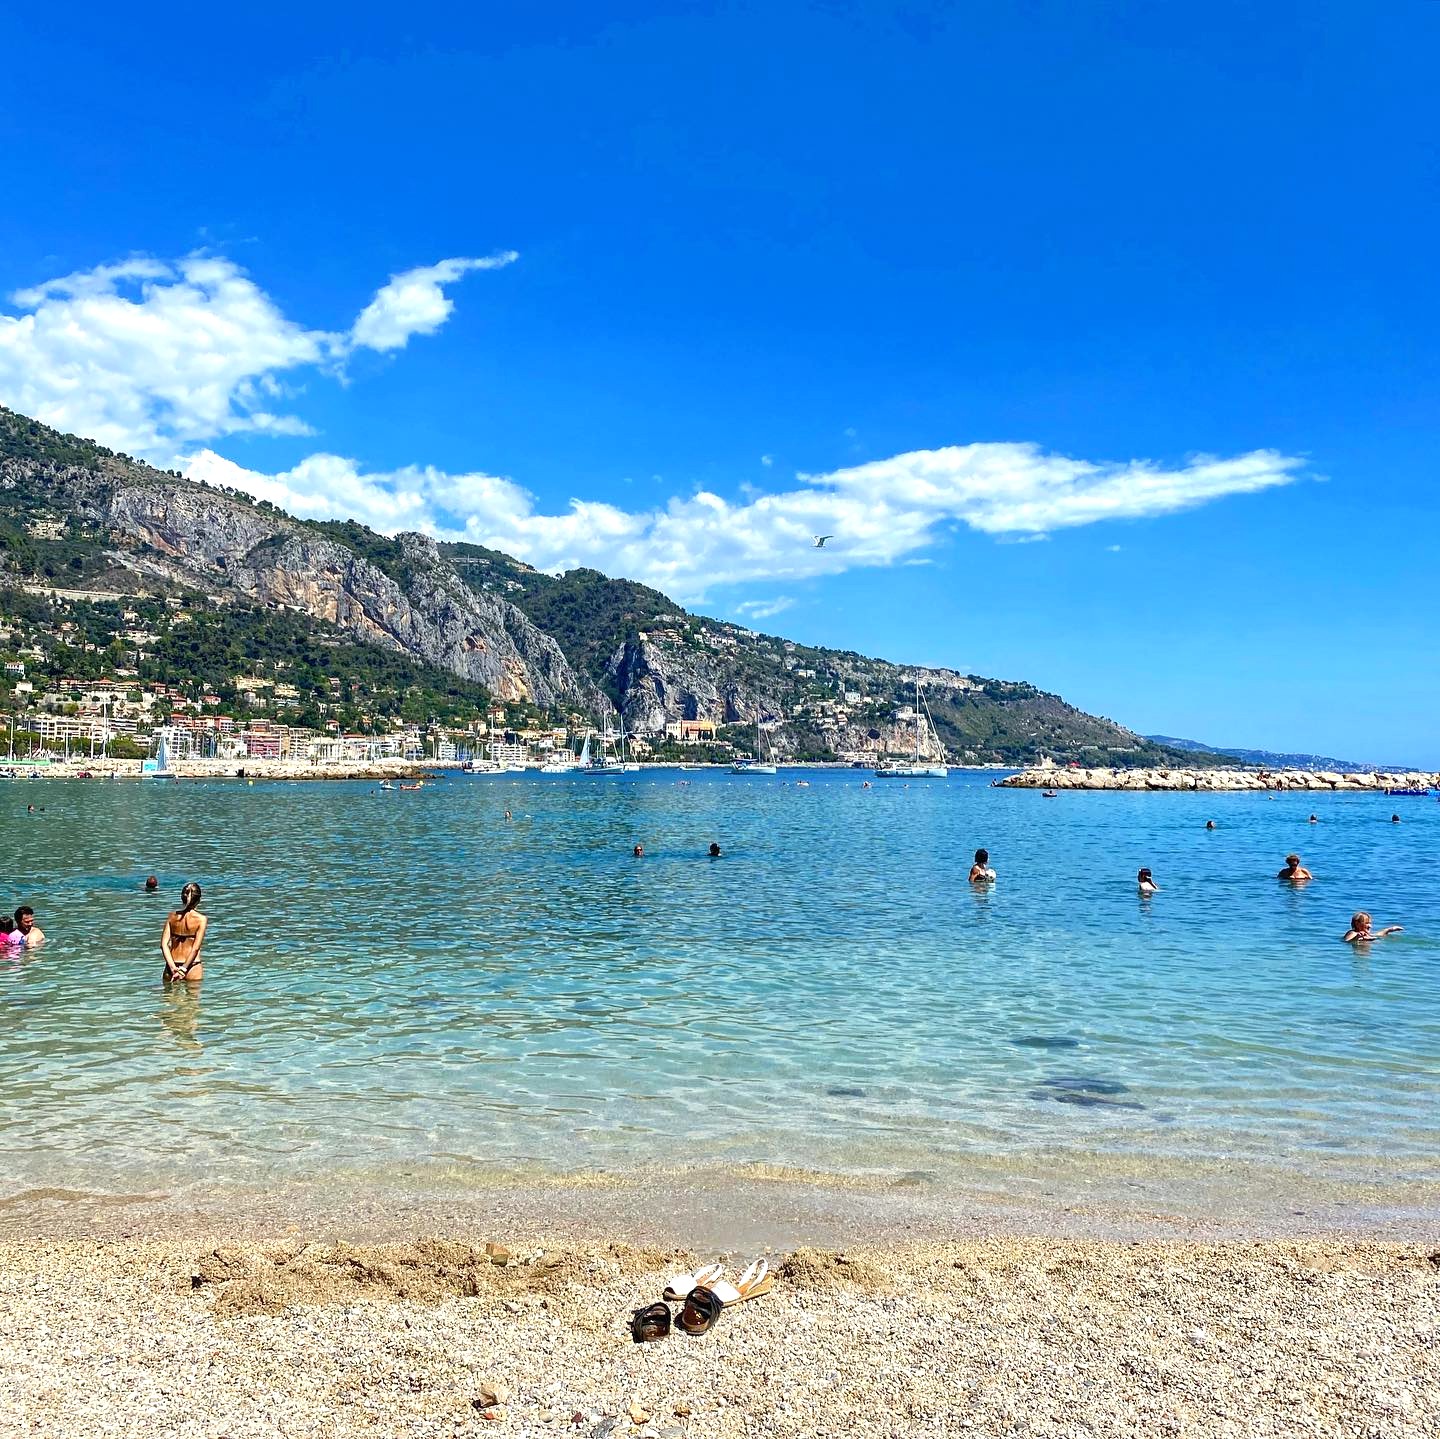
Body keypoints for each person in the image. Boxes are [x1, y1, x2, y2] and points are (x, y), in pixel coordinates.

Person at [161, 882, 208, 983]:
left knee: (168, 998)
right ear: (199, 900)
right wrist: (183, 969)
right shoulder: (201, 919)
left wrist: (173, 967)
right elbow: (195, 948)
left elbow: (164, 945)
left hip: (171, 966)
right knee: (191, 998)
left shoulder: (171, 916)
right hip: (192, 967)